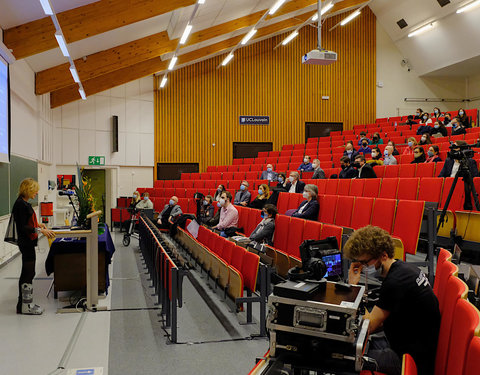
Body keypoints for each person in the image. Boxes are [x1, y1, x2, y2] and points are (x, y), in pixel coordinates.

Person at [344, 226, 440, 375]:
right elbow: (380, 320)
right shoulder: (405, 269)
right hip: (414, 346)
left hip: (409, 360)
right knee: (358, 345)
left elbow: (368, 326)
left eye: (365, 263)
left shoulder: (395, 282)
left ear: (383, 255)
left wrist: (352, 287)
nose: (363, 268)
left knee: (346, 358)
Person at [12, 178, 56, 314]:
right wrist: (40, 230)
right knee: (28, 272)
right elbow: (23, 226)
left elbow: (27, 223)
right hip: (25, 243)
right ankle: (25, 305)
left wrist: (38, 225)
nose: (36, 192)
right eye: (34, 190)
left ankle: (24, 304)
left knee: (29, 272)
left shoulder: (23, 203)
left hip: (27, 242)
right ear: (28, 189)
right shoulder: (21, 205)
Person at [438, 141, 479, 210]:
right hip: (449, 186)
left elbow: (475, 177)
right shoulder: (449, 161)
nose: (453, 149)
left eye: (455, 147)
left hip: (463, 188)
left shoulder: (470, 162)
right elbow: (441, 176)